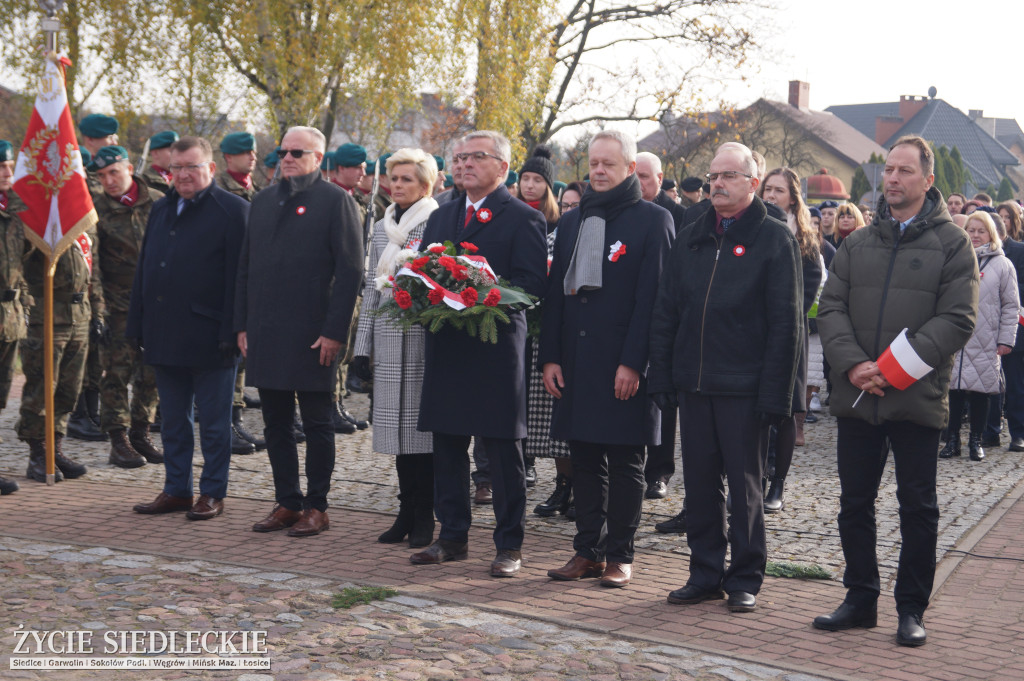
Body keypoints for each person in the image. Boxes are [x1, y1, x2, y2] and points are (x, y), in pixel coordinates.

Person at [814, 135, 979, 647]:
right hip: (859, 396)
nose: (893, 179)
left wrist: (894, 369)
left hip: (914, 398)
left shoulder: (954, 244)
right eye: (888, 169)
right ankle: (860, 598)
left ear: (928, 181)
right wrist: (855, 365)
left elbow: (957, 318)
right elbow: (831, 306)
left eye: (905, 170)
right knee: (854, 503)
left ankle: (911, 608)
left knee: (918, 507)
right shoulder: (858, 244)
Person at [648, 142, 802, 613]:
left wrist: (776, 395)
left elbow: (786, 324)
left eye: (730, 175)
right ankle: (704, 572)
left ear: (753, 183)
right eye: (714, 175)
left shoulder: (775, 239)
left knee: (745, 485)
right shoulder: (692, 231)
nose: (718, 183)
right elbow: (667, 308)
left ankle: (745, 576)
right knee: (699, 484)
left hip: (745, 386)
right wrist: (663, 374)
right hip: (695, 383)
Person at [409, 130, 547, 577]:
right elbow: (424, 271)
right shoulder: (441, 216)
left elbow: (530, 287)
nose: (464, 164)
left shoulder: (522, 218)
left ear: (503, 167)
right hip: (448, 346)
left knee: (503, 452)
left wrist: (478, 296)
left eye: (476, 157)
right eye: (459, 157)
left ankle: (509, 545)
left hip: (495, 349)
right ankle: (451, 537)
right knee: (447, 444)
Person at [541, 130, 673, 588]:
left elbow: (653, 300)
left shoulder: (652, 221)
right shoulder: (575, 220)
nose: (597, 171)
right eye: (593, 164)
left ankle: (620, 554)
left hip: (623, 365)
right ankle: (587, 551)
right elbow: (557, 293)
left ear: (630, 169)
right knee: (584, 460)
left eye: (607, 165)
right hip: (577, 361)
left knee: (624, 462)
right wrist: (551, 357)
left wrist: (634, 362)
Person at [238, 126, 363, 538]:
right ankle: (287, 502)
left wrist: (334, 332)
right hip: (267, 331)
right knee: (274, 422)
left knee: (317, 423)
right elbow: (246, 268)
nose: (287, 158)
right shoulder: (262, 200)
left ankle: (317, 506)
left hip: (314, 334)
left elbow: (350, 273)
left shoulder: (336, 201)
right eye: (282, 151)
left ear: (317, 158)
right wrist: (242, 324)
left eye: (297, 152)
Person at [128, 135, 248, 520]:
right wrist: (137, 322)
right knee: (174, 422)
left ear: (210, 168)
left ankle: (213, 492)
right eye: (176, 168)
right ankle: (176, 489)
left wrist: (234, 329)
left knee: (214, 425)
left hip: (213, 336)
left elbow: (241, 279)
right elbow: (146, 269)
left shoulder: (234, 210)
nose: (182, 175)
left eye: (191, 167)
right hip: (164, 333)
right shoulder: (161, 209)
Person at [352, 148, 439, 547]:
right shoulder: (382, 225)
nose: (398, 185)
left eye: (407, 179)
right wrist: (362, 348)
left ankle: (425, 514)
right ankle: (405, 510)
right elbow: (372, 288)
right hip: (388, 339)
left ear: (426, 184)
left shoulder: (435, 223)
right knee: (396, 434)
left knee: (421, 436)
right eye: (394, 178)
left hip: (421, 339)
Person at [89, 145, 165, 469]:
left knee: (153, 372)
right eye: (102, 175)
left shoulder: (160, 203)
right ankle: (118, 440)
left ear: (130, 168)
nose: (109, 180)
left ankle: (140, 433)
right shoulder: (95, 209)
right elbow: (91, 264)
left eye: (114, 172)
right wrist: (98, 309)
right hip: (118, 304)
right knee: (117, 374)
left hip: (157, 304)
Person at [18, 204, 99, 483]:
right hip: (48, 316)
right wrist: (29, 308)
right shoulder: (38, 217)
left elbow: (92, 269)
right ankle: (38, 454)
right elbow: (18, 269)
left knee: (69, 388)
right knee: (42, 387)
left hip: (80, 316)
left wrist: (96, 312)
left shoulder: (84, 221)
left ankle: (55, 447)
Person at [758, 167, 822, 512]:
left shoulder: (807, 244)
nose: (770, 196)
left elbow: (804, 297)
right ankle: (755, 478)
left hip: (788, 339)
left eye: (778, 191)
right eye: (767, 189)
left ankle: (777, 483)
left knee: (783, 413)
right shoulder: (752, 232)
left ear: (793, 199)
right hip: (752, 339)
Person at [939, 211, 1018, 462]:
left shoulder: (1003, 264)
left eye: (980, 231)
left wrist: (1006, 339)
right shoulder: (954, 258)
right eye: (971, 230)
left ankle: (976, 440)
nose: (974, 235)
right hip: (956, 335)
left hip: (986, 337)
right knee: (954, 390)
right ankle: (952, 439)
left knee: (982, 392)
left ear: (991, 233)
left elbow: (1010, 305)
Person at [634, 151, 684, 501]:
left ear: (661, 178)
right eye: (633, 177)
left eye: (645, 178)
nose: (639, 184)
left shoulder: (680, 216)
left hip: (669, 318)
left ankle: (660, 471)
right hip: (634, 317)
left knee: (663, 400)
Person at [0, 140, 29, 494]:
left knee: (1, 393)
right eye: (1, 169)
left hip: (11, 316)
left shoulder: (19, 207)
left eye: (9, 167)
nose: (8, 175)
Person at [217, 132, 260, 202]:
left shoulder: (258, 189)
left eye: (254, 153)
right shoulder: (218, 190)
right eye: (247, 153)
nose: (253, 158)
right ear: (228, 157)